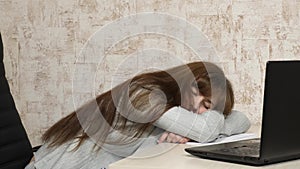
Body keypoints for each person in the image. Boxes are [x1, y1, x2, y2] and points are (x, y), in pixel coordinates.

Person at [25, 61, 250, 169]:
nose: (200, 112)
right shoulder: (143, 95)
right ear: (188, 86)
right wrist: (203, 127)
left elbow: (242, 119)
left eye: (208, 110)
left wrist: (190, 133)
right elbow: (206, 130)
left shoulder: (176, 113)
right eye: (204, 104)